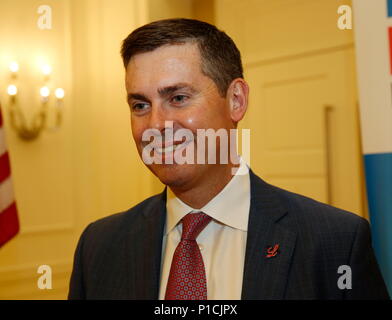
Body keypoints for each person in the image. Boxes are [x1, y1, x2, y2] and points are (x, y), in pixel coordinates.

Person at [68, 18, 389, 300]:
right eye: (140, 105)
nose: (154, 125)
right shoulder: (99, 247)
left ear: (236, 100)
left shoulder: (334, 242)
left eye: (177, 98)